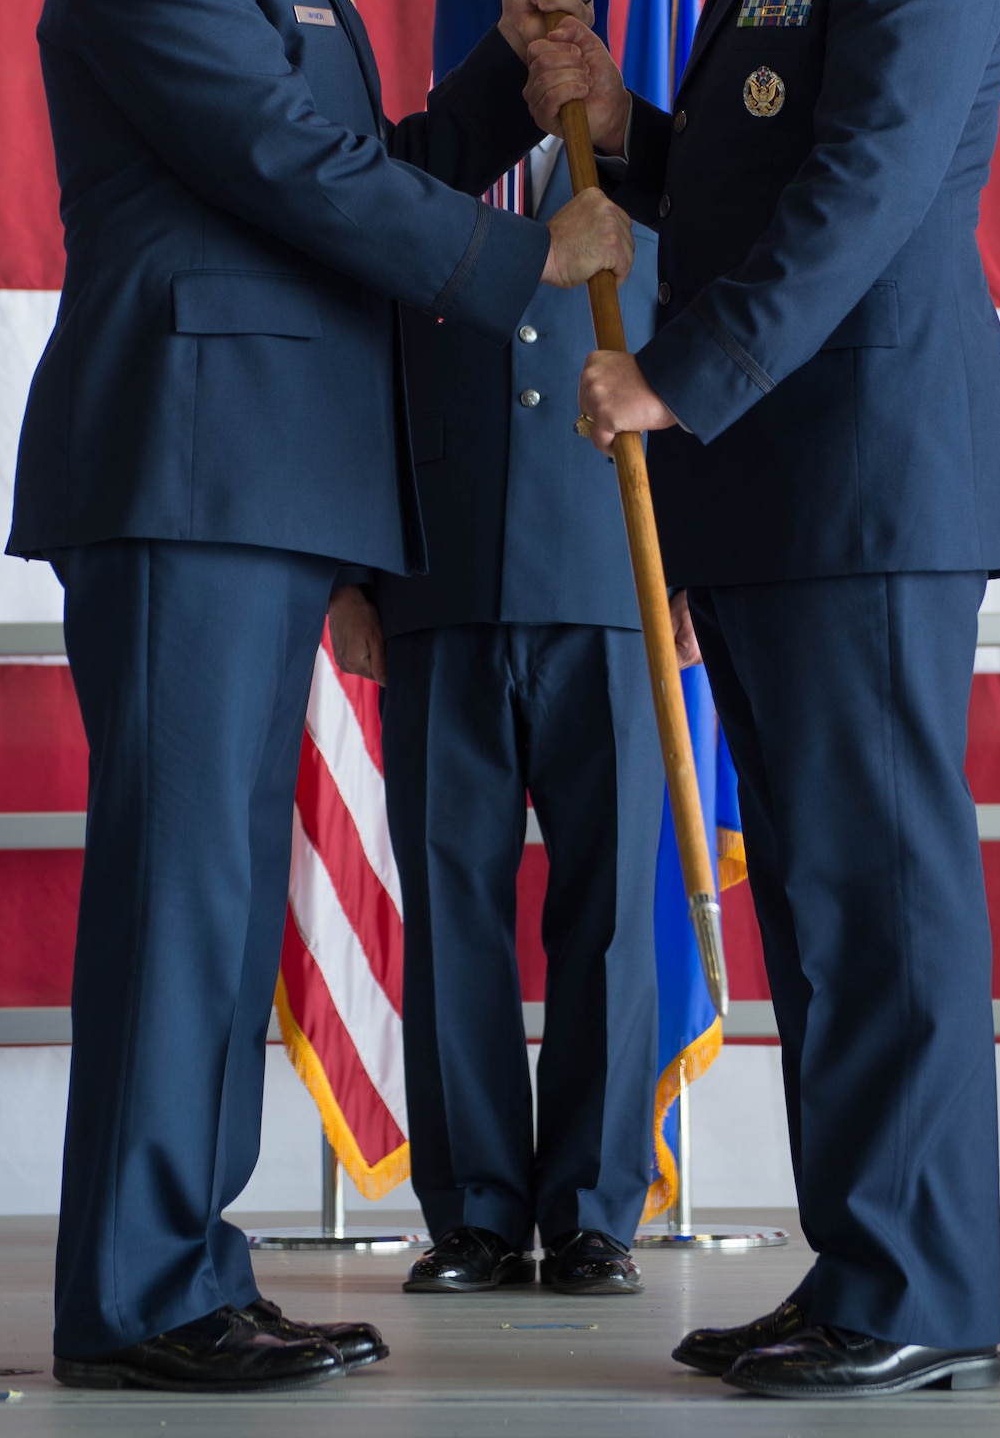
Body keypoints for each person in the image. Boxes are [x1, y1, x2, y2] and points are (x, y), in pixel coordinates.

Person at [6, 0, 633, 1394]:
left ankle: (187, 1270)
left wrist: (511, 88)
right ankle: (137, 1301)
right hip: (189, 464)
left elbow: (355, 163)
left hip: (261, 473)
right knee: (181, 888)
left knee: (214, 886)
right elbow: (280, 169)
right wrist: (529, 257)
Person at [525, 0, 1000, 1401]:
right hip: (781, 502)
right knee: (827, 901)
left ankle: (922, 1287)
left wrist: (678, 377)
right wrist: (625, 116)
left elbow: (863, 200)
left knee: (884, 897)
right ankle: (866, 1270)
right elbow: (756, 182)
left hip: (873, 488)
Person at [329, 136, 663, 1299]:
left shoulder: (662, 167)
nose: (551, 18)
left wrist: (701, 566)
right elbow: (352, 357)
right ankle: (472, 1208)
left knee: (612, 908)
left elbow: (718, 348)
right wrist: (347, 574)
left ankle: (591, 1210)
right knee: (449, 903)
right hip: (439, 579)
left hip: (613, 583)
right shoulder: (410, 164)